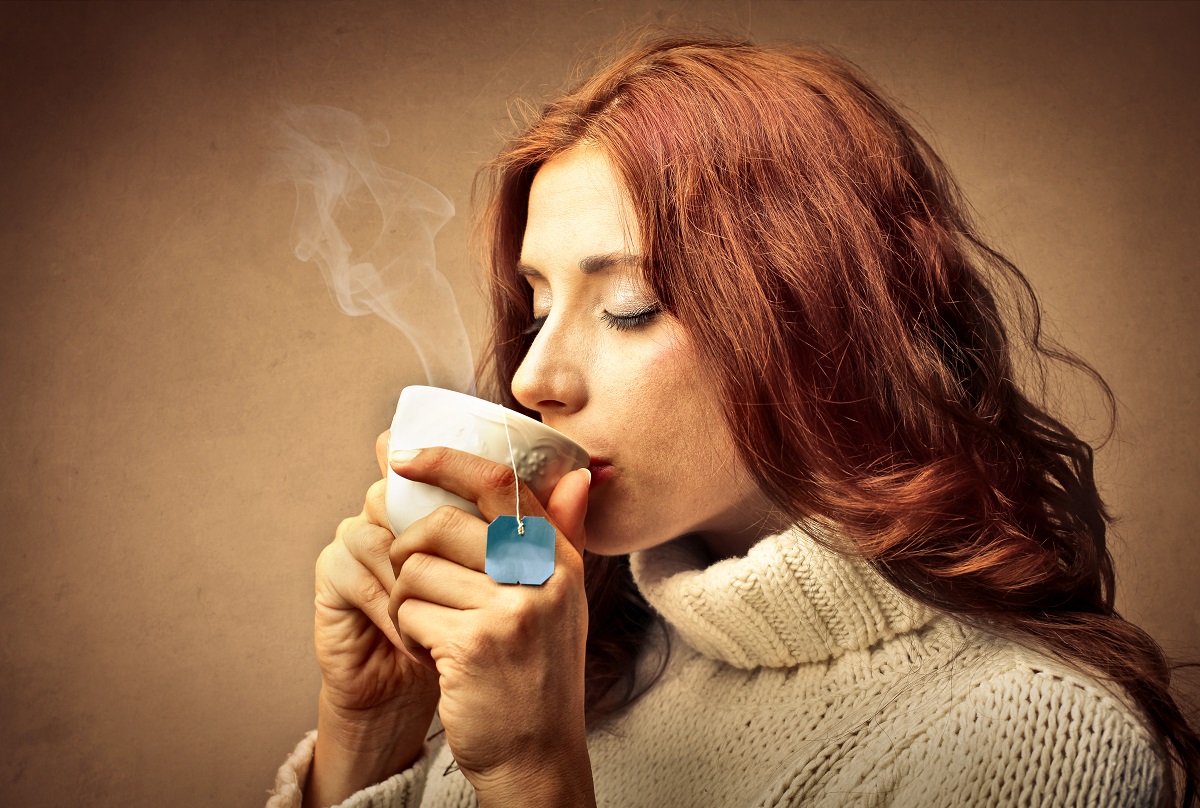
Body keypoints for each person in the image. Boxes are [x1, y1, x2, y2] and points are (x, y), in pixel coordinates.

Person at [268, 35, 1200, 807]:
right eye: (538, 303)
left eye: (628, 304)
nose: (530, 377)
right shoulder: (572, 668)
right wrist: (369, 738)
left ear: (815, 315)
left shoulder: (1038, 738)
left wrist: (532, 776)